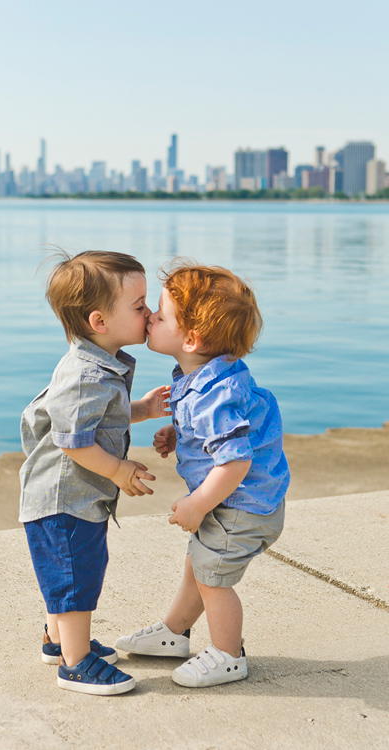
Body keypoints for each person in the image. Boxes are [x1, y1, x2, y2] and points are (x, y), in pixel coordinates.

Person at [116, 262, 289, 688]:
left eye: (159, 313)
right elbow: (225, 430)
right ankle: (174, 633)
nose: (151, 318)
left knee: (213, 577)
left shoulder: (213, 394)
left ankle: (229, 655)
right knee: (199, 562)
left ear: (191, 339)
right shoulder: (209, 377)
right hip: (239, 500)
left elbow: (235, 461)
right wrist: (181, 432)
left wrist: (197, 504)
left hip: (239, 506)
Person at [20, 250, 170, 696]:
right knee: (75, 577)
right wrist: (120, 470)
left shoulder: (103, 363)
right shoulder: (87, 374)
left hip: (74, 497)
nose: (151, 313)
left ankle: (57, 641)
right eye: (140, 306)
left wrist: (141, 409)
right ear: (99, 321)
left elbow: (99, 419)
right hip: (64, 499)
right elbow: (74, 441)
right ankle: (76, 663)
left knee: (71, 571)